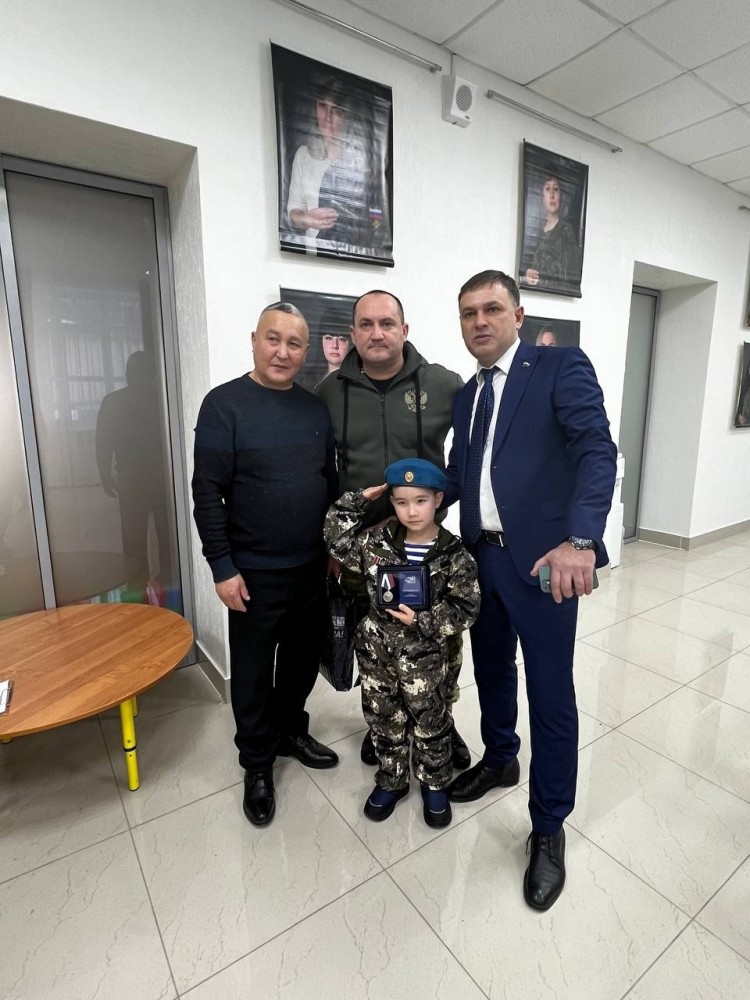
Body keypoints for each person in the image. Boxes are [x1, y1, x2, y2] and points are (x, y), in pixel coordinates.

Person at [445, 270, 616, 910]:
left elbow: (597, 451)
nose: (480, 321)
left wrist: (582, 539)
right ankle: (500, 758)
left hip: (545, 563)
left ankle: (548, 826)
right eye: (468, 313)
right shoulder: (467, 396)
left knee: (549, 694)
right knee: (491, 669)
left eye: (492, 309)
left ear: (518, 316)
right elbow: (466, 475)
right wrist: (400, 499)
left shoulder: (558, 367)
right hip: (480, 559)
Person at [192, 302, 339, 829]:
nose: (282, 351)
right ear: (254, 340)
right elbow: (206, 493)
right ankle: (257, 763)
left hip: (311, 567)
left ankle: (291, 731)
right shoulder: (224, 405)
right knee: (253, 674)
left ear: (305, 351)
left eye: (294, 343)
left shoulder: (314, 409)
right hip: (251, 574)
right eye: (272, 339)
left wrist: (334, 550)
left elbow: (328, 483)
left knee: (301, 662)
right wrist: (222, 566)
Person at [316, 290, 470, 770]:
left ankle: (440, 722)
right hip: (365, 552)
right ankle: (386, 726)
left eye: (387, 323)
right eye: (365, 324)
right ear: (353, 334)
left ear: (404, 330)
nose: (376, 333)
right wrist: (335, 542)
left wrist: (430, 507)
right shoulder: (328, 393)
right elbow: (321, 472)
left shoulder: (444, 384)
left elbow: (468, 460)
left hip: (428, 547)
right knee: (377, 644)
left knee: (438, 644)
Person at [325, 458, 480, 827]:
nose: (411, 511)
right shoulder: (375, 543)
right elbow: (336, 538)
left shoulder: (453, 555)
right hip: (377, 652)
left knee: (431, 720)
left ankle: (434, 782)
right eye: (401, 501)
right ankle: (391, 779)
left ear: (438, 500)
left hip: (425, 657)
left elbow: (466, 608)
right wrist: (360, 500)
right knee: (383, 718)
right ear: (391, 502)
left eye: (421, 501)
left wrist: (422, 620)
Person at [95, 351, 175, 605]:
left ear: (128, 373)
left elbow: (102, 442)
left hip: (132, 478)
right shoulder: (162, 399)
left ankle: (138, 583)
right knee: (166, 533)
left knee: (133, 536)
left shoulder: (114, 401)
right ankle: (168, 577)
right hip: (161, 476)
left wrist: (105, 473)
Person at [286, 76, 366, 250]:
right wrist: (308, 218)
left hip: (350, 255)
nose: (328, 117)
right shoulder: (303, 156)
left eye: (335, 110)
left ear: (345, 117)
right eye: (322, 106)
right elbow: (293, 211)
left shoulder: (357, 161)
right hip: (312, 254)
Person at [523, 175, 582, 292]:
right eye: (547, 189)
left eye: (555, 189)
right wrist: (526, 276)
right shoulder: (534, 232)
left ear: (561, 195)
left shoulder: (566, 231)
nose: (551, 195)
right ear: (541, 195)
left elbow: (570, 279)